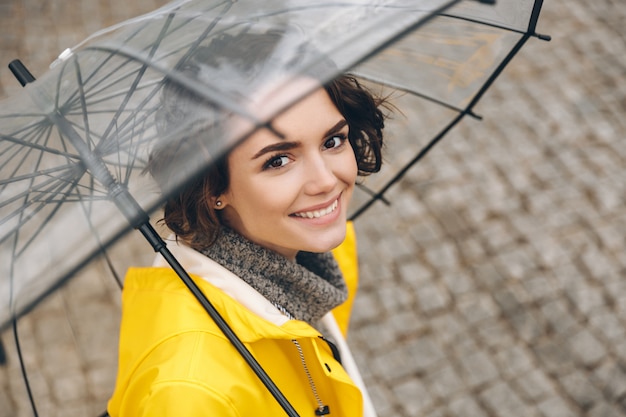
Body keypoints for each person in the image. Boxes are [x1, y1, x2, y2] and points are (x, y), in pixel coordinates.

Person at [107, 29, 390, 417]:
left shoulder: (308, 257)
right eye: (277, 160)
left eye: (332, 141)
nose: (326, 180)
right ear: (211, 187)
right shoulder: (190, 395)